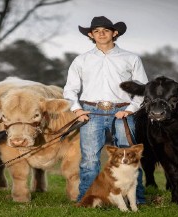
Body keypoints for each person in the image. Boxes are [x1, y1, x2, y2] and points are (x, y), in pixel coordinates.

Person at [63, 16, 148, 204]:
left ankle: (137, 200)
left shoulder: (131, 58)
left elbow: (143, 88)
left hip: (122, 112)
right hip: (91, 113)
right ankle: (87, 199)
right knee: (90, 160)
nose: (101, 34)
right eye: (96, 31)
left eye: (106, 30)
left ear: (114, 33)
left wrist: (131, 109)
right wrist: (77, 110)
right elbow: (70, 89)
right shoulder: (81, 60)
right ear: (91, 35)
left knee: (130, 156)